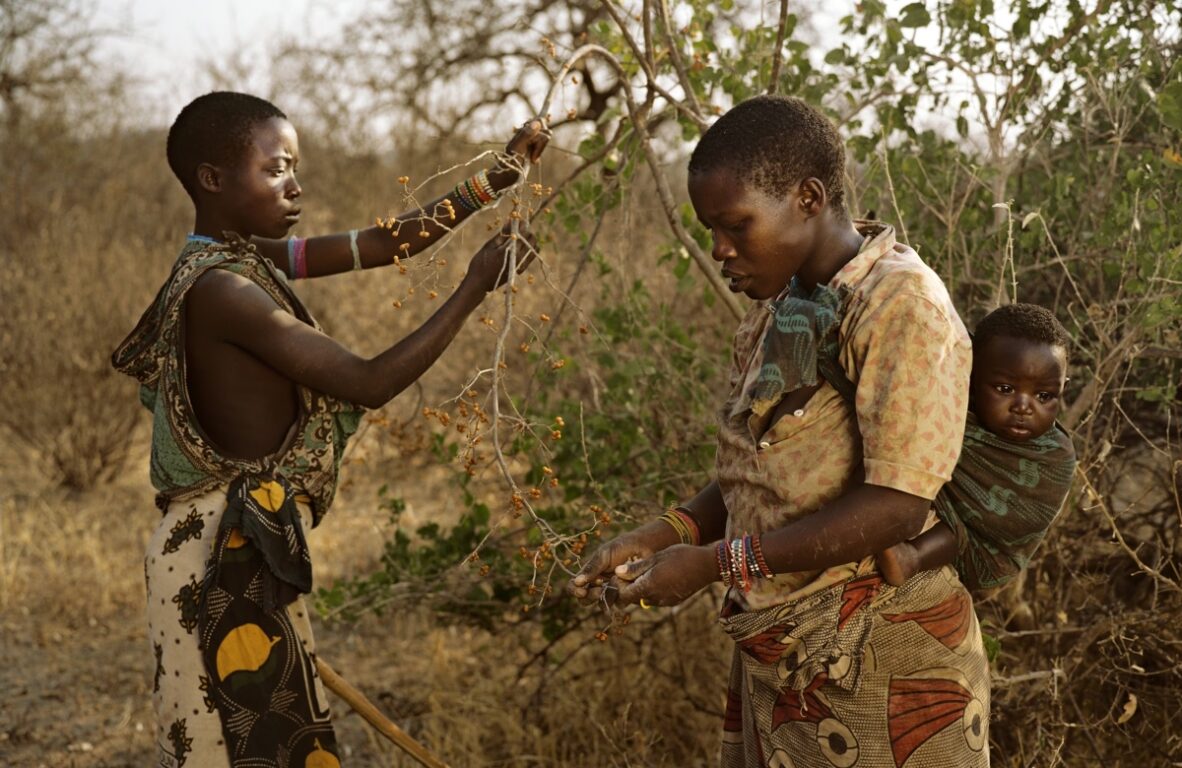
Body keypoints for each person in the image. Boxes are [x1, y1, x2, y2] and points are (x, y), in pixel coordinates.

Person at [112, 91, 547, 767]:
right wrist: (474, 286)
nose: (296, 184)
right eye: (276, 168)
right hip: (211, 559)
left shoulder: (246, 259)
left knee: (270, 744)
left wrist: (498, 176)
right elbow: (368, 382)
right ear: (212, 179)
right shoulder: (223, 289)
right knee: (230, 750)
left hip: (241, 549)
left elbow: (384, 242)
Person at [570, 95, 990, 767]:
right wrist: (664, 534)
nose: (719, 250)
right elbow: (758, 473)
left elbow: (897, 505)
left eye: (735, 224)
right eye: (710, 229)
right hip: (783, 660)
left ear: (809, 197)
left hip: (882, 667)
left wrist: (715, 564)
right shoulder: (781, 309)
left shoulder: (901, 306)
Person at [878, 303, 1077, 590]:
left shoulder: (1053, 457)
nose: (1023, 406)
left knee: (953, 534)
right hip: (928, 498)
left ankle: (912, 558)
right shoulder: (949, 405)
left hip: (979, 548)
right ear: (971, 377)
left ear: (1063, 388)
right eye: (1005, 389)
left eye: (1044, 395)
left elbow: (1014, 526)